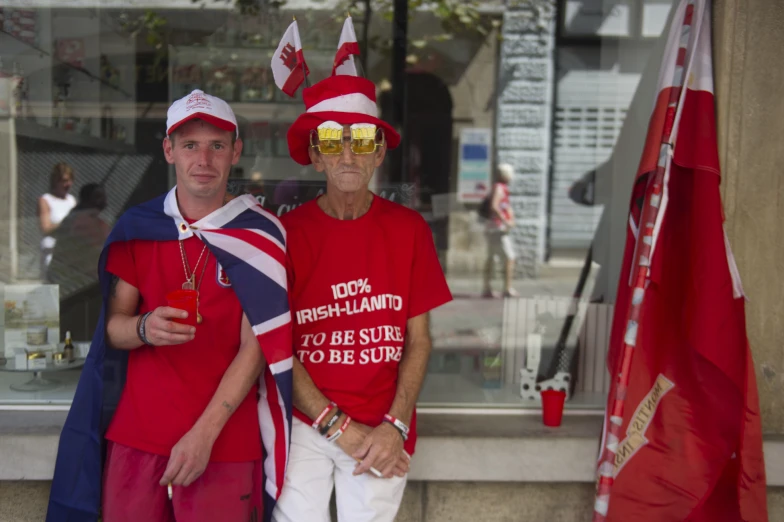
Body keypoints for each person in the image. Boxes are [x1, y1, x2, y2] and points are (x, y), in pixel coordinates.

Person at [46, 90, 293, 522]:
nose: (204, 159)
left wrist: (204, 435)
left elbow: (257, 349)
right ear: (168, 150)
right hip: (138, 435)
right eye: (190, 145)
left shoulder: (261, 234)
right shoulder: (138, 227)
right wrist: (144, 328)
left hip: (225, 441)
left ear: (235, 151)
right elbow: (113, 328)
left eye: (217, 145)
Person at [272, 75, 453, 522]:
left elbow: (420, 341)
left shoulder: (410, 230)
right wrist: (337, 427)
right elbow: (277, 346)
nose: (348, 154)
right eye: (332, 141)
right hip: (304, 419)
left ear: (378, 152)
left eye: (362, 140)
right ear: (316, 155)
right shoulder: (287, 234)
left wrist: (395, 425)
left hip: (383, 424)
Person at [48, 183, 111, 297]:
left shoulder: (77, 217)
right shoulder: (83, 220)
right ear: (90, 199)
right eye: (99, 196)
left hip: (74, 282)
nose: (104, 200)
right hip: (75, 284)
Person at [482, 163, 519, 298]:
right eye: (510, 173)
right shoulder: (499, 188)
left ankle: (487, 288)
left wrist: (511, 218)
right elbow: (494, 206)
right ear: (505, 175)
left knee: (492, 258)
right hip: (498, 228)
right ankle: (507, 289)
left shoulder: (500, 188)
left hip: (493, 228)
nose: (512, 176)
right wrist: (505, 221)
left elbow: (504, 206)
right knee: (509, 257)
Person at [38, 162, 77, 279]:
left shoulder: (72, 200)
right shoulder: (45, 200)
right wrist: (66, 223)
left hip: (69, 253)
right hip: (51, 253)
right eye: (64, 181)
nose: (68, 184)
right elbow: (45, 228)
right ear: (55, 181)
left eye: (70, 180)